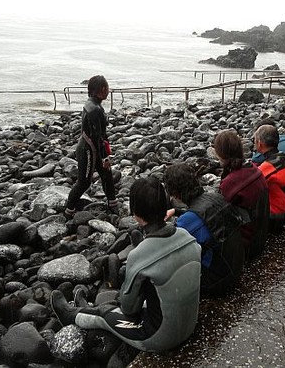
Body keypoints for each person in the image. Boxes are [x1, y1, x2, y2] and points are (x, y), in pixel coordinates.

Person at [50, 177, 201, 353]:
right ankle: (85, 307)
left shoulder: (139, 256)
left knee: (106, 313)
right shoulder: (188, 237)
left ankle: (71, 315)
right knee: (146, 292)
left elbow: (129, 309)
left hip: (160, 337)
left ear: (135, 213)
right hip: (189, 322)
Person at [164, 163, 245, 296]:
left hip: (218, 281)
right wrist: (176, 211)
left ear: (176, 194)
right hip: (236, 266)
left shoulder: (188, 221)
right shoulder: (215, 197)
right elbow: (202, 214)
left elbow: (170, 248)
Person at [212, 129, 270, 260]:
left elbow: (220, 213)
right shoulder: (253, 168)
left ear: (220, 154)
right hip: (262, 235)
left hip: (248, 247)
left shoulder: (230, 183)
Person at [65, 75, 117, 216]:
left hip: (90, 147)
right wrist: (105, 158)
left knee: (107, 176)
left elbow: (100, 136)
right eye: (107, 88)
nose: (108, 91)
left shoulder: (91, 103)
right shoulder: (96, 110)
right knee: (84, 182)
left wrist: (105, 153)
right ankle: (69, 210)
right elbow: (98, 137)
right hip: (88, 150)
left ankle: (113, 204)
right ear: (102, 89)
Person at [253, 125, 285, 232]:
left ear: (260, 143)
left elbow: (250, 187)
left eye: (255, 140)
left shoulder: (268, 167)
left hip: (276, 218)